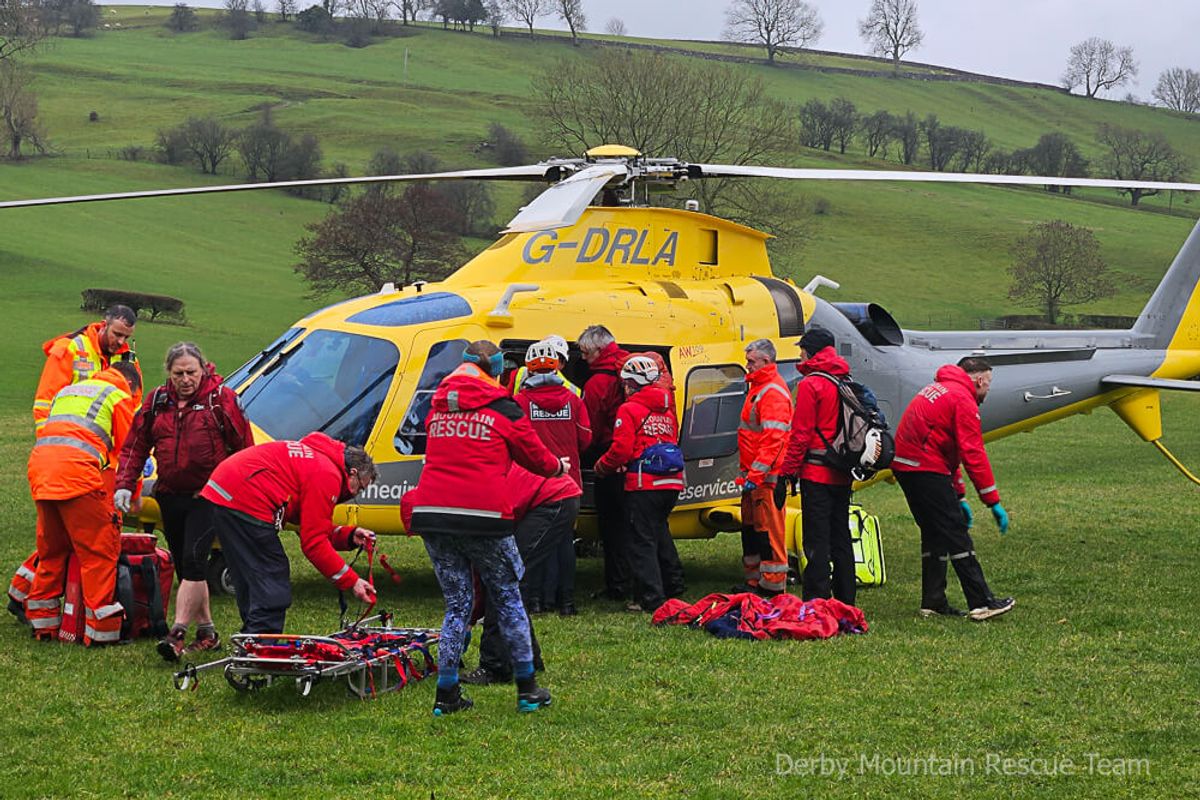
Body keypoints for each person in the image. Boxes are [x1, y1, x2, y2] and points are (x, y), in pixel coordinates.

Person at [403, 340, 569, 716]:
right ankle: (527, 689)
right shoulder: (503, 408)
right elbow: (536, 458)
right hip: (484, 517)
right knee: (508, 597)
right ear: (495, 370)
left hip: (432, 513)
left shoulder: (438, 407)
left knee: (457, 605)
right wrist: (558, 467)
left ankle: (446, 694)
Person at [114, 342, 254, 661]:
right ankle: (207, 633)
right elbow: (136, 445)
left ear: (203, 369)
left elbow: (244, 449)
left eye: (191, 372)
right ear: (169, 373)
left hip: (208, 496)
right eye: (178, 373)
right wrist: (124, 484)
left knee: (193, 561)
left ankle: (176, 633)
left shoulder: (222, 400)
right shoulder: (157, 401)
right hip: (170, 495)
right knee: (186, 566)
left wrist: (239, 492)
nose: (185, 379)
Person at [198, 432, 377, 635]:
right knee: (272, 574)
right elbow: (314, 543)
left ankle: (252, 637)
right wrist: (352, 581)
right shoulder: (328, 474)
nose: (354, 494)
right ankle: (263, 641)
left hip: (224, 492)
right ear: (352, 472)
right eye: (359, 488)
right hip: (245, 499)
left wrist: (348, 536)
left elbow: (311, 525)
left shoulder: (319, 460)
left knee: (250, 577)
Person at [24, 361, 143, 645]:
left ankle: (43, 625)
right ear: (131, 384)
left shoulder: (69, 391)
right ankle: (100, 632)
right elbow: (130, 451)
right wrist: (133, 494)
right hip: (77, 474)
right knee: (98, 552)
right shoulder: (118, 396)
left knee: (52, 550)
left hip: (41, 471)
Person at [892, 357, 1015, 621]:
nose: (988, 390)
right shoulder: (962, 398)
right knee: (956, 533)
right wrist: (992, 501)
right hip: (925, 468)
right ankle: (981, 602)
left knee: (934, 532)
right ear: (979, 380)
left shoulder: (941, 388)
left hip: (907, 465)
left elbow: (947, 450)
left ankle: (933, 601)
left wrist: (959, 496)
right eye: (988, 384)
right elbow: (973, 452)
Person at [456, 464, 582, 685]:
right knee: (508, 580)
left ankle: (494, 666)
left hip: (552, 499)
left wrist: (470, 619)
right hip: (550, 495)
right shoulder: (465, 493)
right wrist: (472, 618)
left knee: (502, 580)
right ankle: (529, 657)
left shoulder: (469, 507)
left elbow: (481, 571)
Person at [594, 355, 685, 613]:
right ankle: (674, 584)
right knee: (660, 533)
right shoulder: (666, 407)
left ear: (630, 384)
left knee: (641, 542)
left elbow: (621, 450)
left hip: (644, 483)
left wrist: (602, 466)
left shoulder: (629, 409)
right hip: (671, 482)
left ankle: (650, 598)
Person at [779, 327, 857, 606]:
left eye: (802, 349)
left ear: (810, 351)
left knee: (816, 540)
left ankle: (817, 601)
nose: (800, 354)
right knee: (841, 537)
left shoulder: (811, 384)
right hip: (842, 471)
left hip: (816, 473)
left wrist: (787, 471)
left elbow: (801, 434)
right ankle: (846, 599)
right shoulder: (844, 379)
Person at [514, 339, 591, 616]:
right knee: (564, 541)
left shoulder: (520, 402)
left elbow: (515, 441)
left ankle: (535, 600)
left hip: (533, 483)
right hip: (569, 483)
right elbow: (586, 439)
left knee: (534, 542)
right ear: (557, 367)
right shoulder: (574, 399)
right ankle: (566, 602)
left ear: (529, 369)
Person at [734, 339, 794, 597]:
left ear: (766, 361)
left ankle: (772, 585)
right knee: (751, 531)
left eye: (751, 361)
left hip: (766, 480)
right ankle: (754, 582)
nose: (747, 366)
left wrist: (756, 475)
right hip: (754, 478)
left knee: (768, 534)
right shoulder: (759, 388)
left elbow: (773, 440)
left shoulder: (771, 392)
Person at [577, 324, 631, 601]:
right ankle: (642, 581)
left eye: (585, 352)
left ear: (598, 350)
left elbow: (591, 427)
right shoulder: (627, 368)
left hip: (609, 457)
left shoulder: (597, 382)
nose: (583, 358)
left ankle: (617, 585)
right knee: (633, 525)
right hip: (634, 460)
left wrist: (584, 454)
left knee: (612, 526)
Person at [34, 305, 139, 434]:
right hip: (70, 435)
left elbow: (134, 406)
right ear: (104, 325)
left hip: (108, 442)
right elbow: (44, 402)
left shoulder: (128, 359)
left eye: (126, 337)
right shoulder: (69, 348)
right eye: (117, 334)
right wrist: (47, 438)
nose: (121, 342)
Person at [507, 335, 581, 397]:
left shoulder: (574, 392)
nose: (548, 360)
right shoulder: (519, 374)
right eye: (547, 355)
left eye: (554, 357)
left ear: (563, 364)